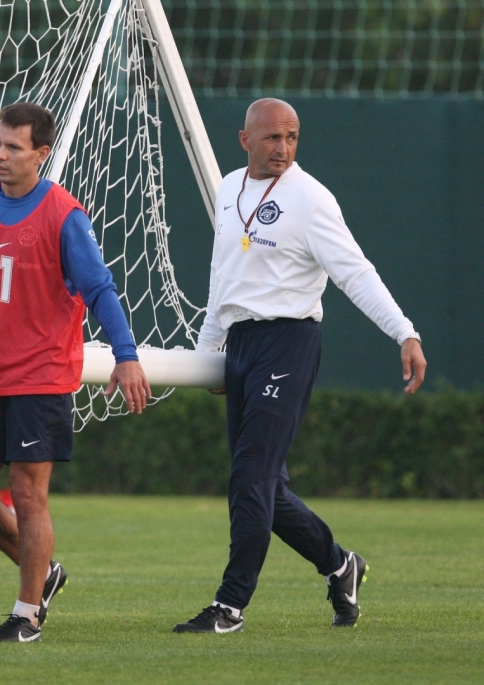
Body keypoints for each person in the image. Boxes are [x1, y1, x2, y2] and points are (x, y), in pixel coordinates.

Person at [174, 98, 427, 634]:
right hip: (240, 344)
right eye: (272, 138)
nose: (283, 148)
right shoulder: (227, 189)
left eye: (292, 137)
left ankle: (230, 604)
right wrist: (210, 347)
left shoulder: (312, 199)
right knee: (266, 487)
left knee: (250, 476)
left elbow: (355, 273)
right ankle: (341, 565)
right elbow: (224, 271)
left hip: (289, 343)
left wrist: (403, 330)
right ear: (245, 140)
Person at [0, 102, 150, 642]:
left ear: (41, 153)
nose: (0, 155)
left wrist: (125, 354)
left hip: (41, 376)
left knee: (29, 497)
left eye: (13, 147)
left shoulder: (63, 214)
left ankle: (26, 615)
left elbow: (100, 289)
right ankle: (44, 572)